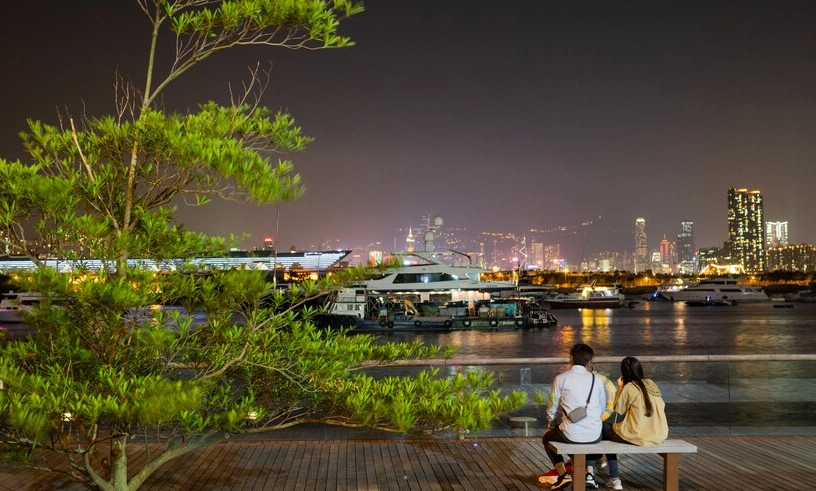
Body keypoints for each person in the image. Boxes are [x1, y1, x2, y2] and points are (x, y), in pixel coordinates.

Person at [540, 343, 607, 490]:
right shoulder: (597, 380)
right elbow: (602, 406)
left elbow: (552, 406)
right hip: (595, 434)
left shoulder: (561, 378)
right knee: (587, 441)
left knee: (547, 438)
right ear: (590, 361)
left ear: (571, 358)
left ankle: (563, 475)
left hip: (570, 433)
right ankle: (589, 475)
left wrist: (550, 423)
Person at [601, 356, 669, 490]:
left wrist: (620, 388)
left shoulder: (629, 387)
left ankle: (613, 476)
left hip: (639, 435)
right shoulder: (651, 383)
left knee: (604, 427)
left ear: (624, 373)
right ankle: (603, 468)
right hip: (660, 433)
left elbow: (618, 410)